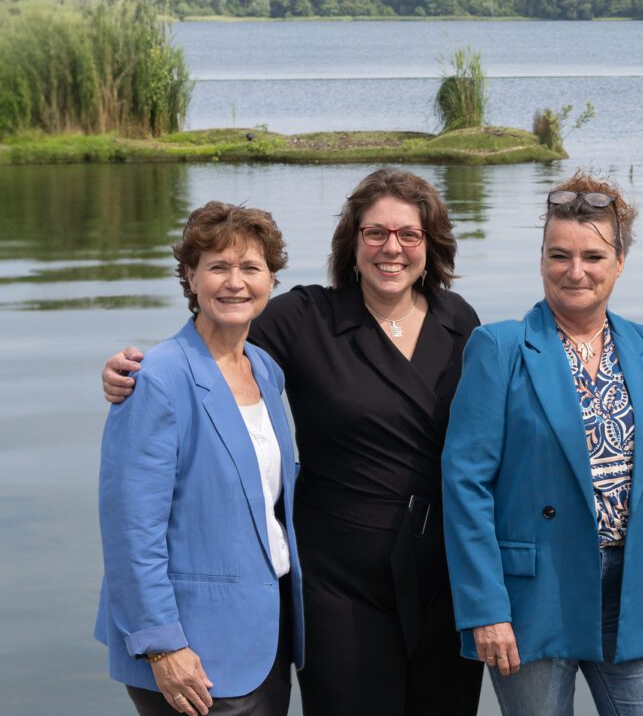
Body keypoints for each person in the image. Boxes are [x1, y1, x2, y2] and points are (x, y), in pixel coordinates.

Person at [102, 169, 484, 716]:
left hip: (445, 575)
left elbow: (489, 439)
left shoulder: (459, 320)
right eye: (374, 233)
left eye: (409, 234)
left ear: (431, 245)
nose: (391, 248)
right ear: (352, 243)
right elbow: (211, 345)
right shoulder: (306, 318)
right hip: (340, 581)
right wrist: (126, 372)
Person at [442, 172, 643, 716]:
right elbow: (464, 485)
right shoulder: (499, 348)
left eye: (593, 255)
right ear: (541, 260)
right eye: (559, 255)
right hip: (536, 596)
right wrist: (485, 608)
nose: (575, 270)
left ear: (619, 262)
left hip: (635, 590)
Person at [97, 202, 304, 716]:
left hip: (266, 635)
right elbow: (130, 529)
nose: (235, 283)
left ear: (272, 280)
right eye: (218, 267)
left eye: (250, 268)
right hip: (191, 650)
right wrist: (163, 644)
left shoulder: (265, 369)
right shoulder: (157, 379)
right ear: (191, 277)